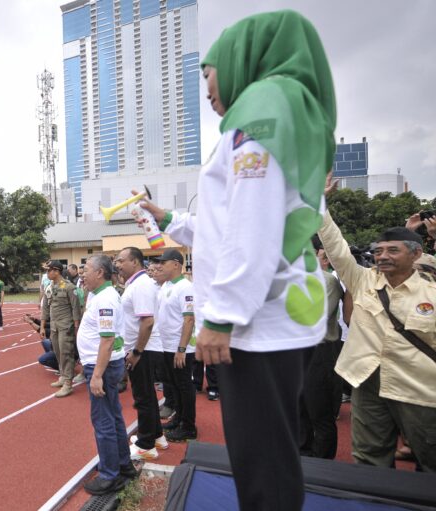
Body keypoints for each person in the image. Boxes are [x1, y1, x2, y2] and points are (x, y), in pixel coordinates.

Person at [138, 11, 336, 510]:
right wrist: (170, 219)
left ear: (240, 58)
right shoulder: (271, 109)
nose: (206, 85)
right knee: (266, 454)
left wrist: (220, 316)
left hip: (255, 324)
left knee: (263, 462)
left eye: (209, 70)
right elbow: (226, 226)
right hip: (269, 316)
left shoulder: (262, 109)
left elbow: (252, 227)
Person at [320, 178, 436, 472]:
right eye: (380, 250)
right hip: (367, 380)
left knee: (430, 459)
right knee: (369, 459)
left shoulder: (431, 290)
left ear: (416, 255)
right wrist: (318, 203)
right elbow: (336, 246)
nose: (383, 256)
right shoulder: (363, 280)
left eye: (393, 250)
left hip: (419, 388)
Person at [77, 254, 135, 496]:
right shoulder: (99, 295)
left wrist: (97, 375)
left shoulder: (106, 300)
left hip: (102, 366)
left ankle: (110, 476)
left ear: (100, 272)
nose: (82, 273)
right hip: (105, 364)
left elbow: (108, 339)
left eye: (86, 269)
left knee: (103, 422)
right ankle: (123, 466)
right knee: (113, 417)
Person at [114, 247, 167, 460]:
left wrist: (136, 351)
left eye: (121, 260)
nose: (117, 264)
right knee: (147, 395)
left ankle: (146, 446)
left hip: (143, 350)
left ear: (135, 262)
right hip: (144, 348)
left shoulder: (142, 285)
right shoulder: (137, 284)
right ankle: (156, 436)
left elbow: (147, 321)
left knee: (143, 397)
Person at [298, 241, 346, 459]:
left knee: (320, 411)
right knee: (299, 407)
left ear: (325, 258)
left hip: (321, 351)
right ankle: (303, 452)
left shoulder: (328, 282)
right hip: (297, 351)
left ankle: (324, 462)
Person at [153, 249, 198, 442]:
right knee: (174, 385)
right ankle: (178, 418)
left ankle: (188, 426)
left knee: (184, 386)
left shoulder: (186, 287)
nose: (160, 265)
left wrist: (181, 349)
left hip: (180, 348)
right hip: (166, 345)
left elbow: (189, 320)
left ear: (176, 264)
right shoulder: (166, 286)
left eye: (164, 262)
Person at [40, 260, 82, 398]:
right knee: (58, 352)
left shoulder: (69, 287)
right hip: (54, 326)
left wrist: (76, 327)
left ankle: (68, 384)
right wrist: (42, 326)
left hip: (66, 326)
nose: (47, 273)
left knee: (66, 353)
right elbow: (45, 308)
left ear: (56, 271)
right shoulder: (49, 286)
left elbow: (76, 308)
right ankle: (63, 376)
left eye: (49, 270)